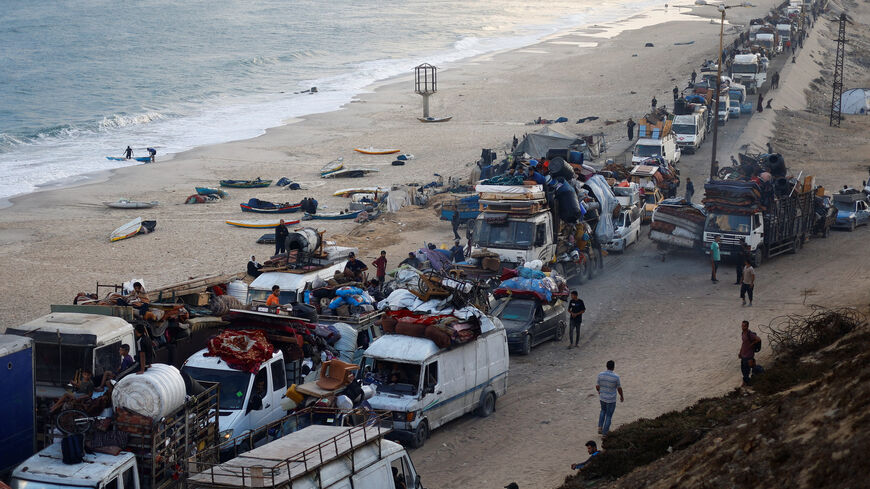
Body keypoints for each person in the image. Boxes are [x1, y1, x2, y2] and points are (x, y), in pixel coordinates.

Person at [596, 360, 623, 436]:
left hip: (602, 397)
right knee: (608, 415)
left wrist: (599, 391)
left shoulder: (600, 374)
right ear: (613, 367)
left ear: (606, 366)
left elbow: (597, 386)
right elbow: (619, 388)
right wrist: (621, 396)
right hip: (611, 399)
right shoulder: (616, 377)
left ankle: (600, 427)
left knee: (602, 411)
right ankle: (605, 433)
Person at [738, 320, 762, 386]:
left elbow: (758, 339)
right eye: (742, 326)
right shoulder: (743, 333)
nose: (743, 327)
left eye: (744, 326)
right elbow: (743, 343)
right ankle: (746, 381)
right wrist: (740, 352)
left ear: (747, 326)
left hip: (749, 355)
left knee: (748, 369)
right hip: (743, 354)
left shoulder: (750, 334)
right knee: (743, 369)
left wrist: (752, 344)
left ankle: (748, 383)